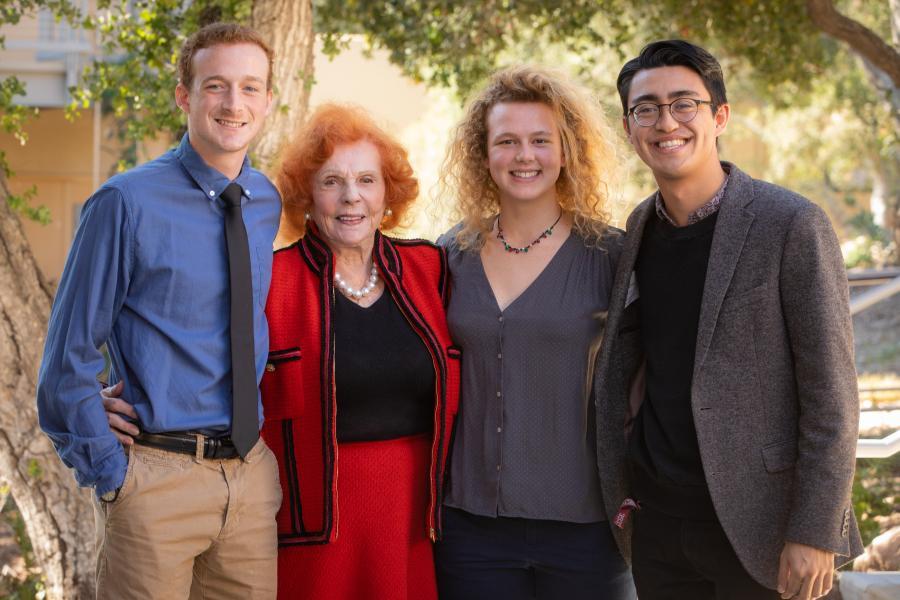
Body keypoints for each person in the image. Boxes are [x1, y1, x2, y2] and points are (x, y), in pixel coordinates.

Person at [593, 39, 864, 600]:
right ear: (629, 128)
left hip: (765, 530)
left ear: (719, 116)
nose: (666, 121)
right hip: (660, 525)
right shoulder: (639, 227)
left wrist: (815, 532)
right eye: (647, 108)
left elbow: (832, 395)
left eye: (683, 103)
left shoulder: (791, 225)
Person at [36, 23, 282, 599]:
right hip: (154, 479)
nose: (233, 103)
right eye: (216, 85)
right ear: (184, 95)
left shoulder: (266, 201)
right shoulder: (125, 202)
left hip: (248, 481)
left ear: (268, 101)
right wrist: (112, 474)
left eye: (250, 87)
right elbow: (66, 358)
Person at [434, 65, 635, 599]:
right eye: (507, 141)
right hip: (470, 527)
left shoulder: (610, 255)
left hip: (587, 530)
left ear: (566, 151)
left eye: (541, 140)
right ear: (483, 154)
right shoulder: (446, 256)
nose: (525, 156)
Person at [260, 103, 459, 599]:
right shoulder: (273, 281)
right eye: (331, 182)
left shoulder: (429, 268)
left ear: (387, 193)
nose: (351, 197)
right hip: (314, 520)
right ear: (307, 194)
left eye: (367, 180)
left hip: (411, 513)